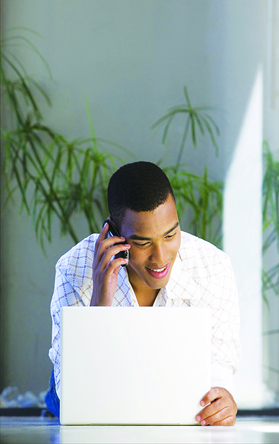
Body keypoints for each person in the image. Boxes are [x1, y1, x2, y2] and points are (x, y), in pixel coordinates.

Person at [46, 161, 241, 425]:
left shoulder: (213, 267)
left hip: (172, 390)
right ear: (114, 233)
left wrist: (222, 400)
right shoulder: (74, 268)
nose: (161, 257)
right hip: (99, 386)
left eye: (170, 235)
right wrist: (99, 303)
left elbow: (218, 366)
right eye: (143, 242)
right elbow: (72, 392)